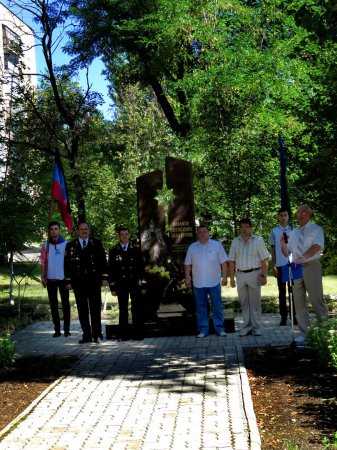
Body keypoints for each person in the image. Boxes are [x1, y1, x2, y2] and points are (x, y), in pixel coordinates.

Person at [281, 204, 328, 344]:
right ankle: (304, 333)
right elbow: (287, 252)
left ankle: (325, 332)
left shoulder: (316, 229)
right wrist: (283, 244)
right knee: (299, 302)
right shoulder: (293, 232)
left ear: (306, 214)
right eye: (297, 212)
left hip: (311, 266)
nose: (297, 215)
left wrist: (304, 257)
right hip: (296, 268)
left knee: (316, 299)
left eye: (300, 212)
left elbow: (317, 246)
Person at [64, 222, 108, 343]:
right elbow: (66, 264)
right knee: (82, 310)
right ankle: (86, 335)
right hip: (78, 283)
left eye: (86, 229)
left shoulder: (96, 243)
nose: (84, 231)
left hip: (94, 282)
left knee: (95, 309)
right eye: (81, 229)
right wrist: (68, 281)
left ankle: (96, 334)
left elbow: (103, 262)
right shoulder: (71, 245)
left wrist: (104, 278)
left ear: (89, 230)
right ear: (78, 231)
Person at [228, 218, 270, 336]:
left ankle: (256, 327)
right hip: (240, 274)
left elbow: (264, 259)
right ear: (240, 228)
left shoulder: (258, 240)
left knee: (255, 303)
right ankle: (246, 326)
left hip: (255, 274)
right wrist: (231, 278)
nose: (244, 229)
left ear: (251, 228)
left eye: (247, 226)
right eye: (242, 227)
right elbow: (231, 261)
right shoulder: (235, 241)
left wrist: (264, 276)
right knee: (244, 302)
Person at [184, 224, 227, 338]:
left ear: (209, 233)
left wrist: (225, 277)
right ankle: (203, 330)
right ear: (197, 234)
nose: (202, 234)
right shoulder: (192, 247)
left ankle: (220, 329)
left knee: (217, 306)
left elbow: (224, 263)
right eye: (200, 232)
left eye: (204, 232)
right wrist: (188, 277)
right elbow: (187, 264)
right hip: (198, 283)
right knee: (201, 307)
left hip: (214, 282)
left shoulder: (217, 245)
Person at [108, 227, 145, 339]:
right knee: (123, 309)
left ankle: (137, 334)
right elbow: (111, 270)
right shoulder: (113, 250)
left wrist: (142, 284)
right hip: (121, 284)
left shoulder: (136, 249)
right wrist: (112, 287)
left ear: (129, 235)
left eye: (126, 234)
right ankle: (123, 334)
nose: (124, 236)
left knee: (136, 309)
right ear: (118, 236)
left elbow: (141, 268)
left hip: (134, 283)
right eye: (122, 234)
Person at [40, 221, 70, 337]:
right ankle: (57, 329)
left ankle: (67, 329)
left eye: (56, 229)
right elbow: (42, 262)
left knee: (66, 304)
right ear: (49, 231)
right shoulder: (45, 245)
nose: (54, 231)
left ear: (59, 230)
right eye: (51, 229)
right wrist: (42, 276)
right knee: (53, 306)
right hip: (51, 279)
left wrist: (69, 279)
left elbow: (69, 264)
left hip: (63, 279)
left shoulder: (66, 244)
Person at [269, 208, 293, 325]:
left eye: (285, 215)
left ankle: (295, 316)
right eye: (281, 215)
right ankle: (283, 317)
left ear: (288, 217)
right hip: (280, 264)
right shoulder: (274, 231)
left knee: (293, 291)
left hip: (293, 265)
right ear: (278, 217)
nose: (283, 217)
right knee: (282, 292)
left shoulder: (293, 230)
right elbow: (272, 249)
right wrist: (273, 265)